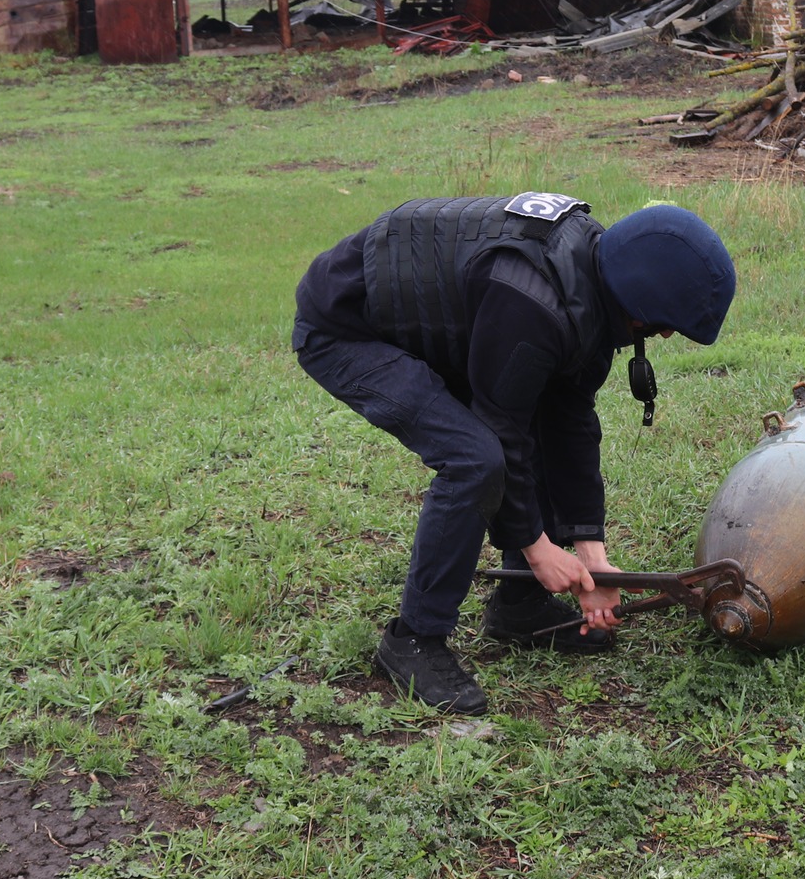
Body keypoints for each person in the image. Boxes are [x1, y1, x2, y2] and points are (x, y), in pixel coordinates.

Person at [292, 192, 737, 715]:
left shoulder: (590, 289)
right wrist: (536, 546)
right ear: (637, 299)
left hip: (454, 328)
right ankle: (413, 640)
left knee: (537, 417)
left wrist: (592, 553)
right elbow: (501, 430)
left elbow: (569, 422)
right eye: (665, 323)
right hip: (347, 329)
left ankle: (519, 606)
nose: (664, 333)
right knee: (475, 459)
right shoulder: (532, 301)